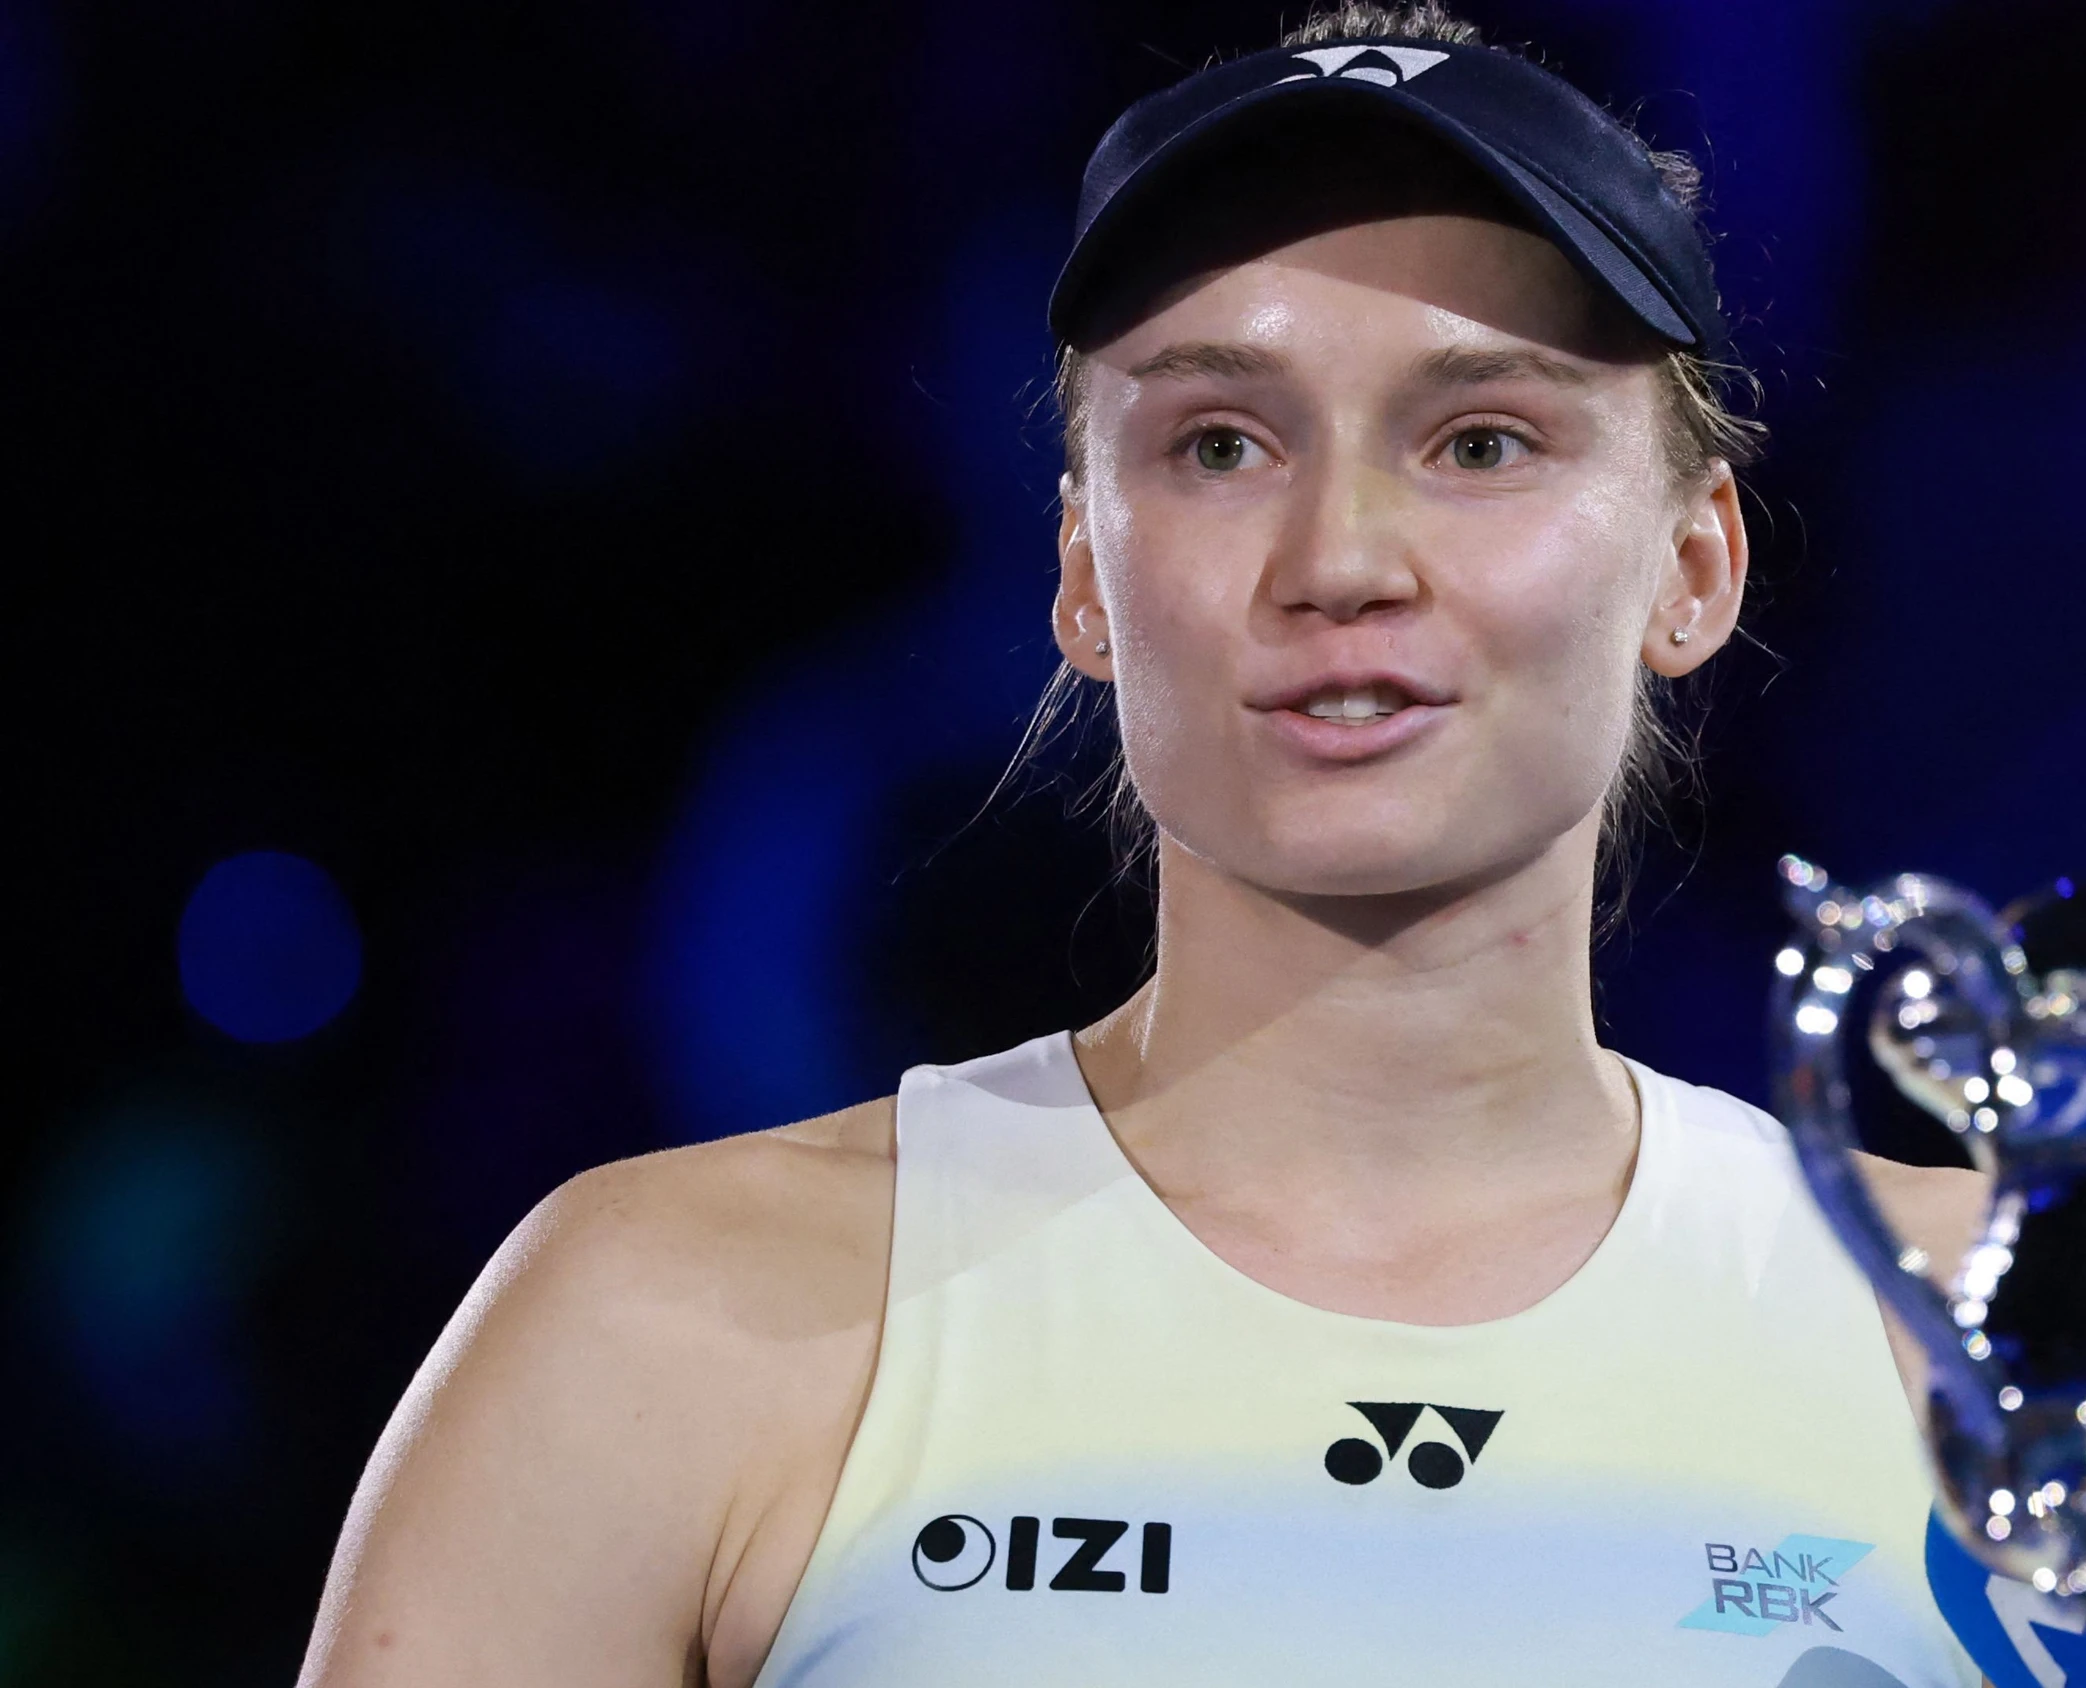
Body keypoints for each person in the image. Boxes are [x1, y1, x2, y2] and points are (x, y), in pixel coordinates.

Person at [298, 6, 1989, 1684]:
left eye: (1482, 440)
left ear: (1696, 566)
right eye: (1221, 445)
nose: (1342, 558)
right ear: (1086, 576)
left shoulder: (2000, 1339)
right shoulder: (661, 1328)